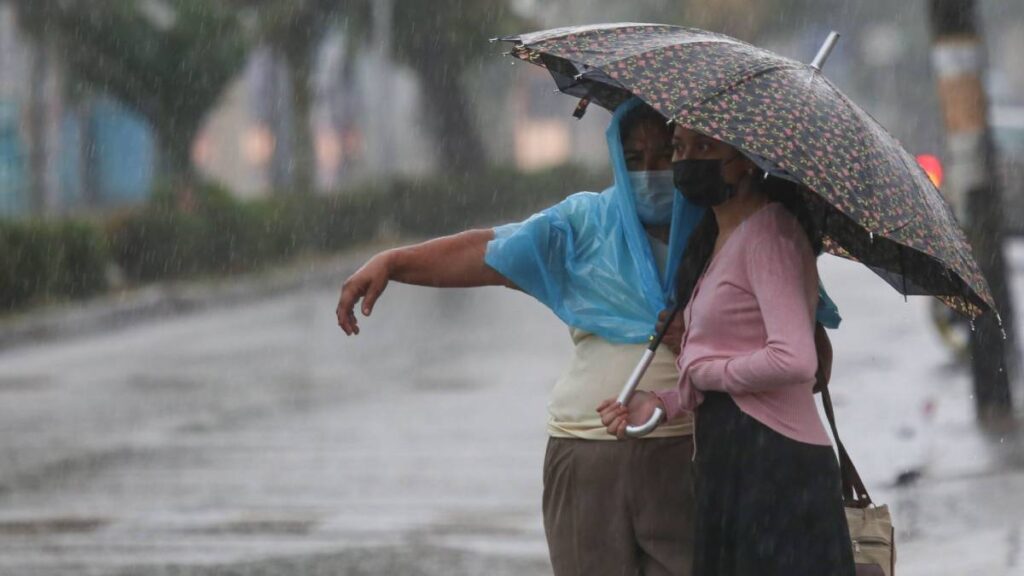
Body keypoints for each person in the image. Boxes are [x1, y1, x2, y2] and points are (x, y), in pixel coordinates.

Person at [337, 98, 838, 576]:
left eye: (669, 154)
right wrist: (395, 263)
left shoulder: (736, 228)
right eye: (635, 158)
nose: (654, 171)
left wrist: (700, 352)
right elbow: (490, 251)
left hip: (691, 456)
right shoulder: (582, 224)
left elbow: (808, 361)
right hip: (584, 454)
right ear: (616, 161)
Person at [600, 125, 855, 576]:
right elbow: (725, 357)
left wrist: (704, 374)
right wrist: (664, 402)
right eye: (679, 147)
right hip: (732, 464)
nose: (684, 160)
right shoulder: (715, 239)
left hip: (776, 467)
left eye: (704, 147)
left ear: (749, 160)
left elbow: (795, 359)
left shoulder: (770, 235)